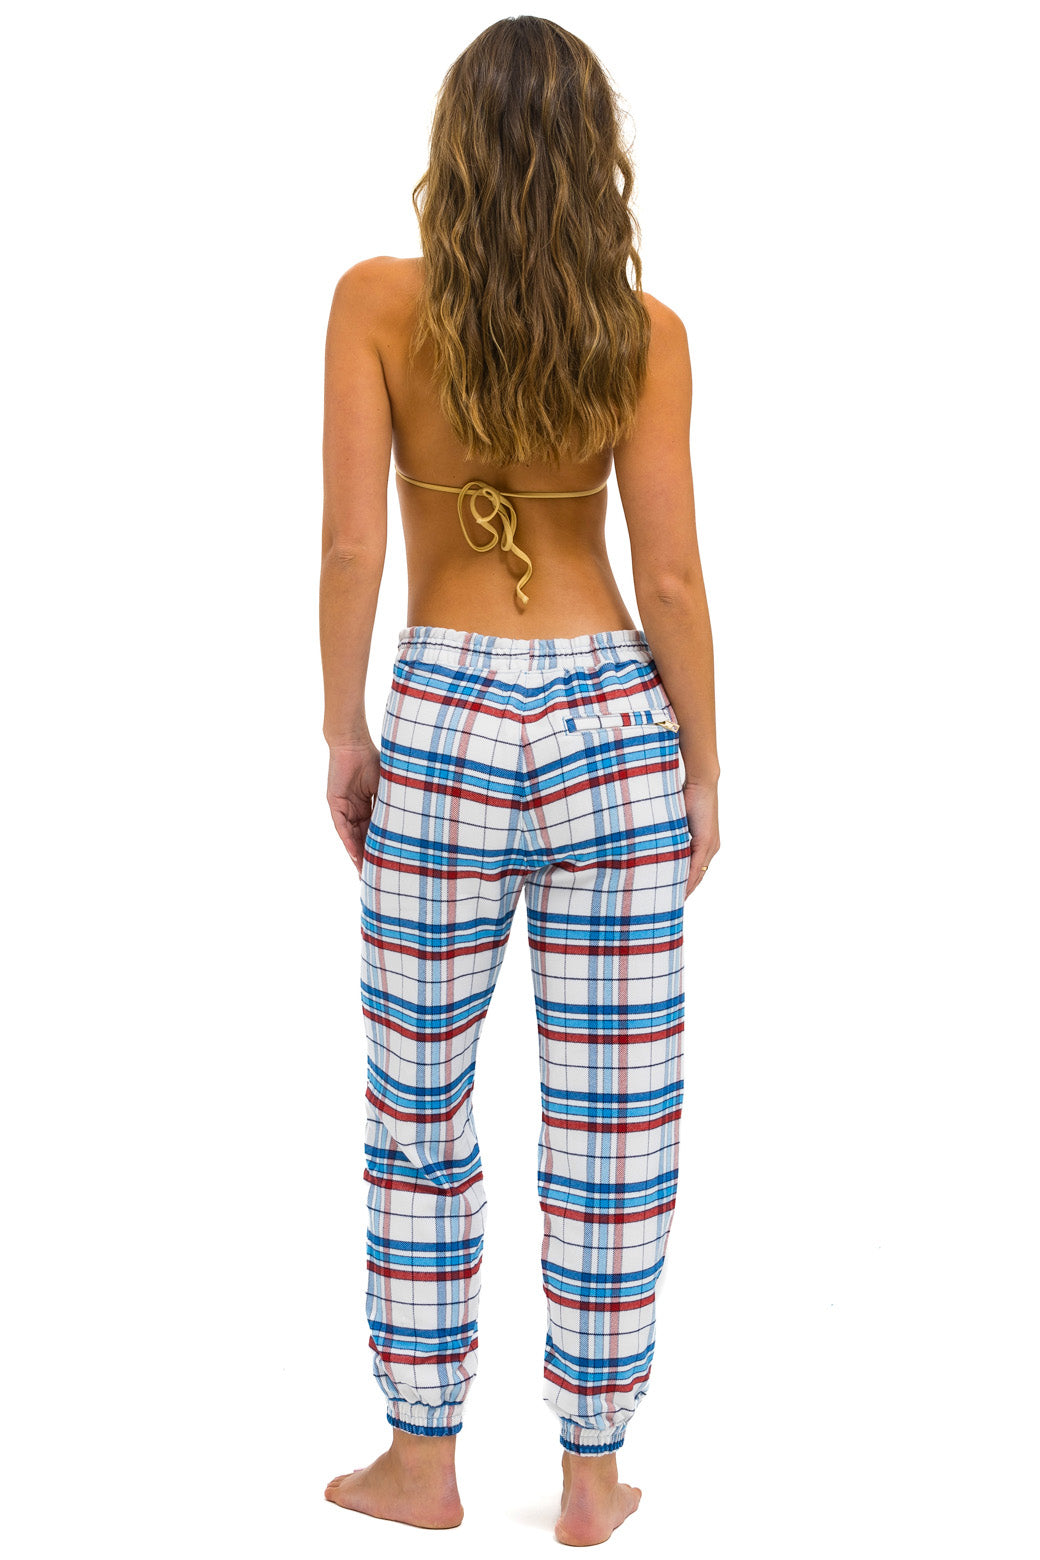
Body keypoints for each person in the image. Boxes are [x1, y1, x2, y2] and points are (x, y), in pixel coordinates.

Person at [318, 15, 720, 1546]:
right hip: (613, 716)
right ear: (594, 156)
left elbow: (352, 547)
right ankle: (592, 1474)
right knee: (614, 1120)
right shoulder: (644, 331)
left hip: (445, 711)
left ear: (455, 149)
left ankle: (421, 1460)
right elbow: (668, 580)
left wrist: (347, 731)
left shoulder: (375, 303)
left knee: (418, 1100)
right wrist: (703, 767)